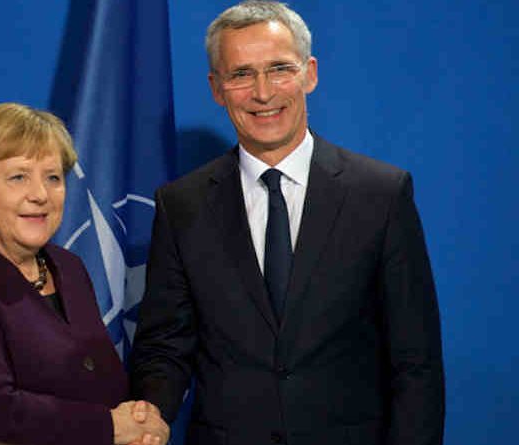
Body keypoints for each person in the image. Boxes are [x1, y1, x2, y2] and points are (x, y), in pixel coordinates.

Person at [129, 2, 445, 445]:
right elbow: (165, 346)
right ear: (216, 88)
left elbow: (416, 361)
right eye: (240, 74)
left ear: (309, 74)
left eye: (279, 68)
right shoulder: (182, 205)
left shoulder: (381, 194)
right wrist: (150, 418)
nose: (263, 92)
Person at [0, 103, 169, 445]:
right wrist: (110, 427)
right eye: (19, 177)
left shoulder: (69, 268)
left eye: (53, 178)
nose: (40, 195)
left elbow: (103, 386)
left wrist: (141, 425)